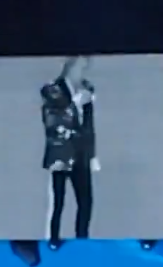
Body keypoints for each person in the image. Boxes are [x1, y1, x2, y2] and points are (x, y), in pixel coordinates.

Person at [41, 55, 100, 249]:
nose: (82, 72)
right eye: (79, 67)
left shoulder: (87, 89)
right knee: (58, 201)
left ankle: (82, 237)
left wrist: (92, 155)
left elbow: (89, 126)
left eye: (85, 67)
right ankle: (53, 238)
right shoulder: (53, 89)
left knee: (85, 201)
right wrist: (75, 104)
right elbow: (53, 120)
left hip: (81, 154)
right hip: (61, 154)